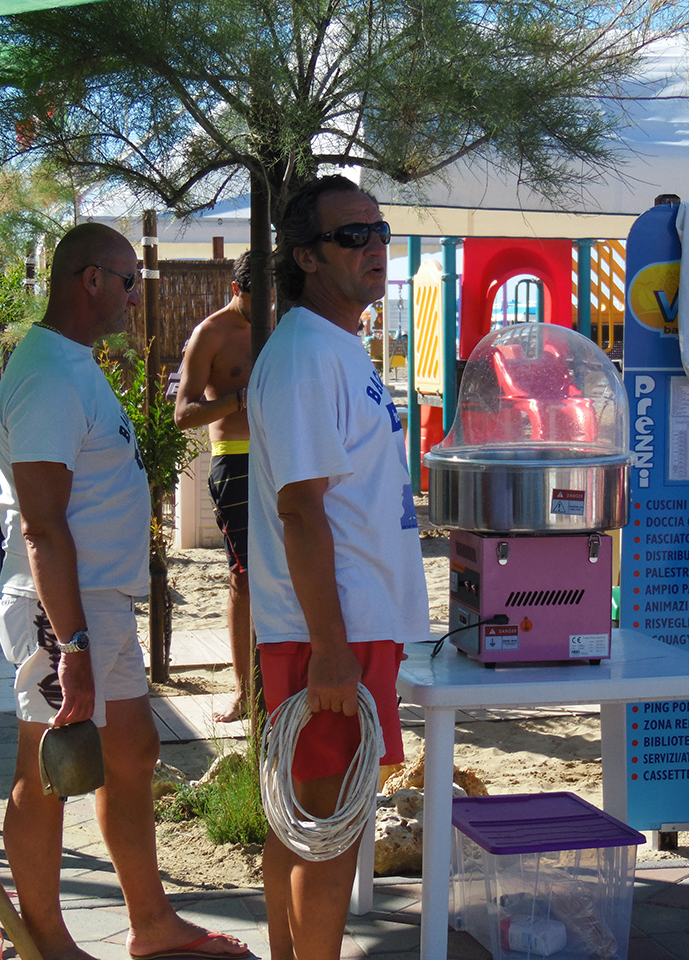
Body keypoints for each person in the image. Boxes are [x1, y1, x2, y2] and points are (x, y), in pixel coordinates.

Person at [0, 223, 247, 960]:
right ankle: (44, 941)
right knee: (44, 769)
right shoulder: (46, 375)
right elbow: (42, 528)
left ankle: (151, 924)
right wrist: (69, 643)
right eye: (129, 282)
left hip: (95, 602)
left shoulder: (71, 364)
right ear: (90, 280)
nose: (138, 297)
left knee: (130, 751)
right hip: (59, 606)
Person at [247, 175, 430, 960]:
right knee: (326, 827)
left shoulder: (335, 347)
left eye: (380, 231)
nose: (376, 247)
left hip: (350, 625)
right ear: (306, 257)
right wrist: (327, 644)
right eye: (354, 235)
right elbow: (299, 508)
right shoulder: (303, 355)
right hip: (329, 631)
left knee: (311, 820)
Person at [173, 251, 257, 724]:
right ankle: (244, 690)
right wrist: (238, 398)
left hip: (283, 461)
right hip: (236, 460)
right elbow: (183, 414)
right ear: (235, 290)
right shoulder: (212, 333)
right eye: (253, 298)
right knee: (243, 577)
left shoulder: (282, 325)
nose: (263, 307)